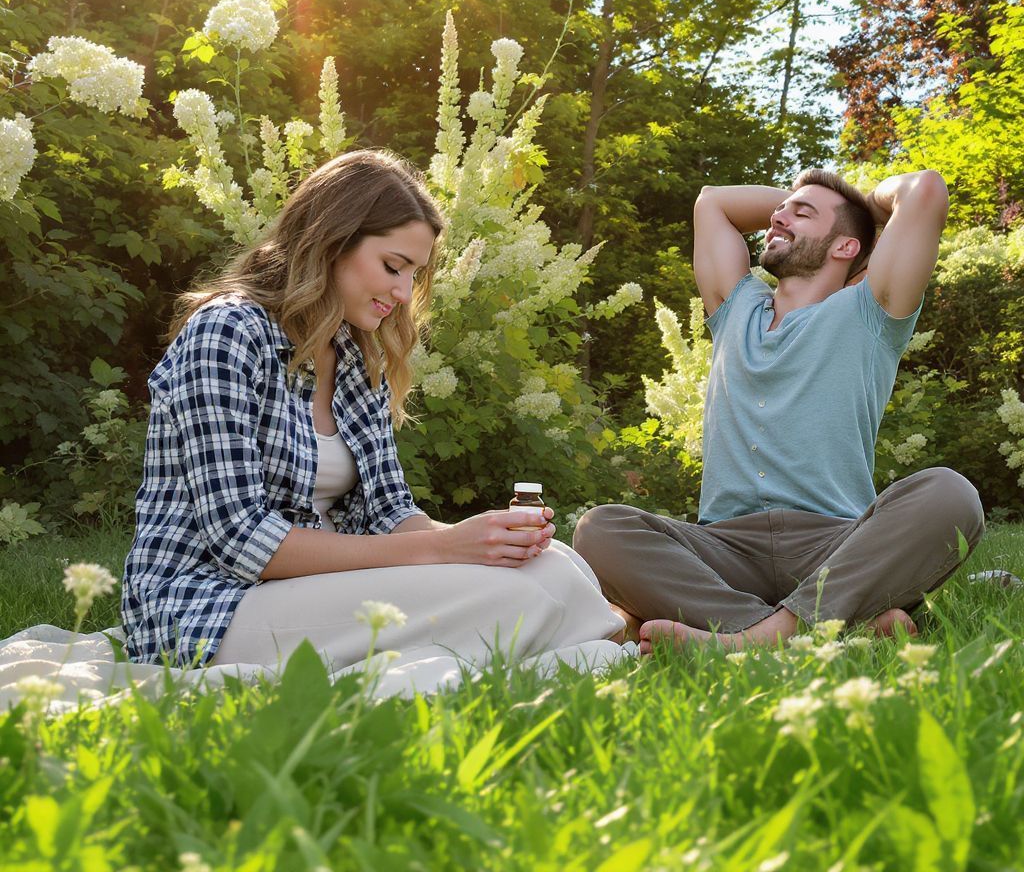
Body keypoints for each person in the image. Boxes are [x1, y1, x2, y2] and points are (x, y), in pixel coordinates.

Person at [122, 149, 623, 672]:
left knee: (553, 565)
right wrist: (444, 549)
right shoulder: (227, 332)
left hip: (317, 591)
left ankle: (599, 647)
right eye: (392, 266)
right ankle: (610, 653)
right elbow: (242, 541)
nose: (403, 293)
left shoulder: (354, 355)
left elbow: (389, 512)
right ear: (330, 242)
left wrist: (482, 537)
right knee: (513, 597)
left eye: (414, 274)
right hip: (205, 607)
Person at [573, 168, 985, 652]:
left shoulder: (871, 310)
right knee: (600, 528)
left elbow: (926, 190)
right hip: (724, 549)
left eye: (801, 212)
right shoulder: (735, 308)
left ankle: (750, 637)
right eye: (780, 210)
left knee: (950, 495)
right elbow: (712, 202)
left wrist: (860, 209)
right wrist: (808, 207)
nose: (778, 215)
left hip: (833, 547)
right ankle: (820, 628)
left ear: (845, 247)